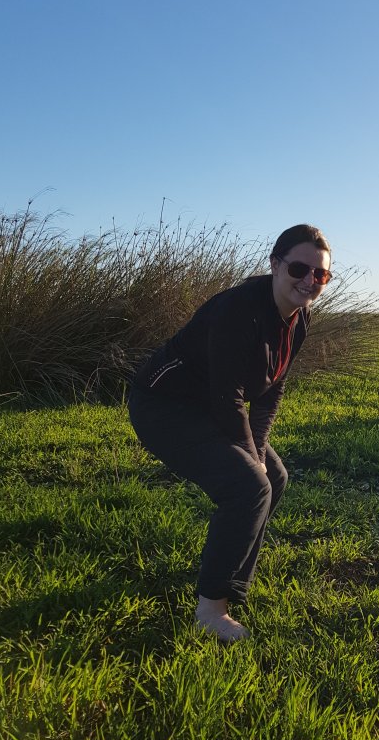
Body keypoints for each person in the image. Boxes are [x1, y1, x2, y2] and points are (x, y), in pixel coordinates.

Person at [128, 224, 332, 641]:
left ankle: (231, 577)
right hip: (163, 405)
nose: (309, 280)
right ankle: (210, 609)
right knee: (248, 485)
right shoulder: (237, 310)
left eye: (321, 274)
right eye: (299, 269)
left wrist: (259, 447)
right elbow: (228, 395)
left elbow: (273, 386)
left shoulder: (300, 316)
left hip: (210, 405)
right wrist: (250, 456)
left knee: (274, 477)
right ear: (275, 264)